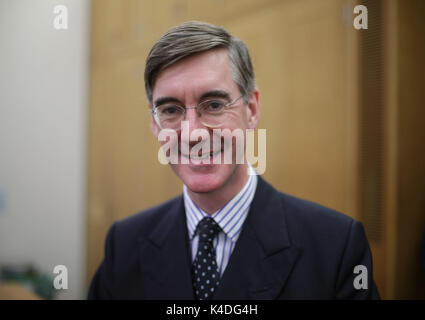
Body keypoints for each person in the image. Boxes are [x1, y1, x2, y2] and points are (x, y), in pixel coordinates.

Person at [88, 21, 380, 300]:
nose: (192, 134)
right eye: (170, 110)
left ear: (251, 109)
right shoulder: (123, 245)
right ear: (154, 124)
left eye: (214, 105)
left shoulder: (335, 247)